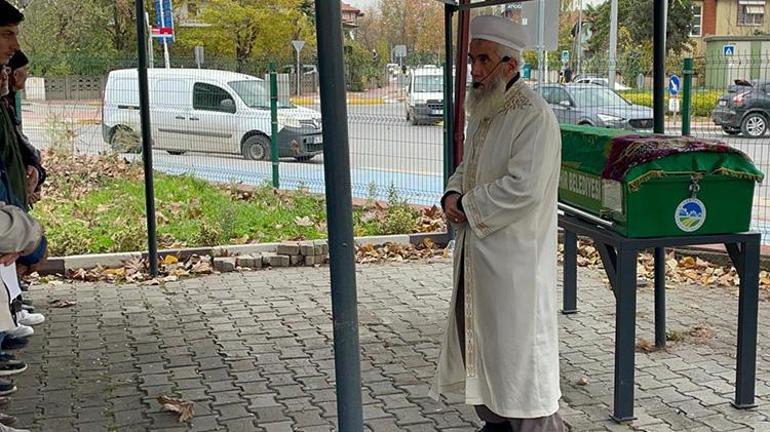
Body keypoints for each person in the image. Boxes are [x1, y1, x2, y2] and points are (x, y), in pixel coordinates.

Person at [432, 15, 564, 432]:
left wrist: (468, 206)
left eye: (483, 59)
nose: (474, 70)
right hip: (479, 258)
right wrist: (452, 195)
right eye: (471, 59)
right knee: (483, 348)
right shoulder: (485, 109)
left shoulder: (534, 117)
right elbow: (467, 169)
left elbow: (523, 188)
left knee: (521, 360)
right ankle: (497, 421)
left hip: (514, 268)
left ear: (510, 64)